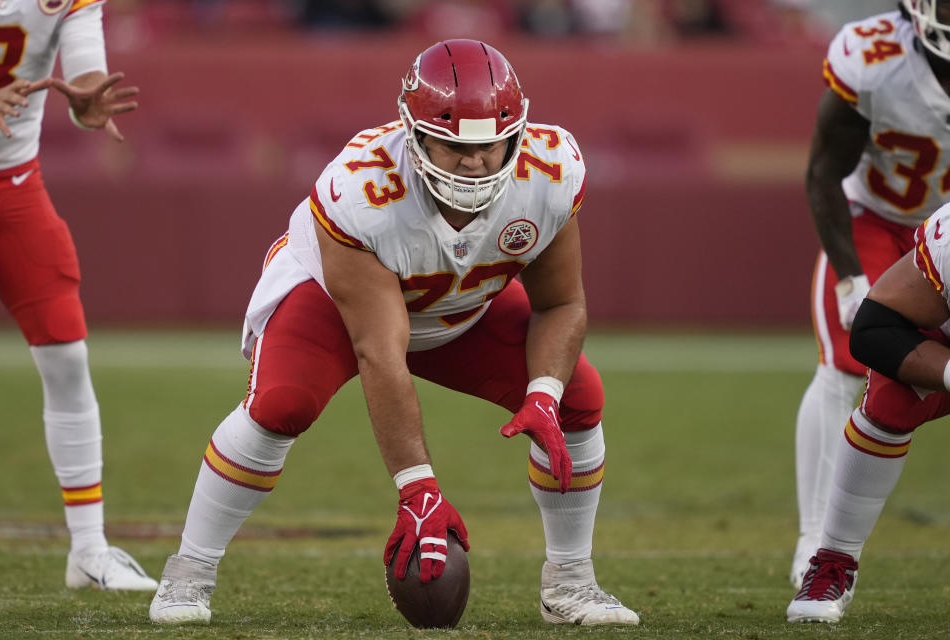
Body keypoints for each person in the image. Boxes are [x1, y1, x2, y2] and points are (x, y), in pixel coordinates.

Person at [148, 38, 639, 627]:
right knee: (283, 404)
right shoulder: (361, 190)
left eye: (489, 146)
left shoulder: (552, 170)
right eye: (455, 147)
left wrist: (543, 395)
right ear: (414, 133)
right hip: (334, 299)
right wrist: (418, 489)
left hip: (461, 303)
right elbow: (380, 352)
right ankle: (189, 574)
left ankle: (571, 584)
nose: (476, 162)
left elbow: (561, 304)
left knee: (578, 400)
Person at [0, 0, 155, 590]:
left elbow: (86, 67)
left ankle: (89, 549)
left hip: (12, 188)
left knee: (66, 355)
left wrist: (88, 99)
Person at [790, 0, 950, 589]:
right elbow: (823, 171)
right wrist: (852, 278)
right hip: (879, 220)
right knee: (845, 360)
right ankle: (816, 540)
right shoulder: (874, 56)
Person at [787, 196, 950, 623]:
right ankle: (832, 559)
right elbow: (874, 330)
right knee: (889, 395)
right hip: (874, 215)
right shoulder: (947, 238)